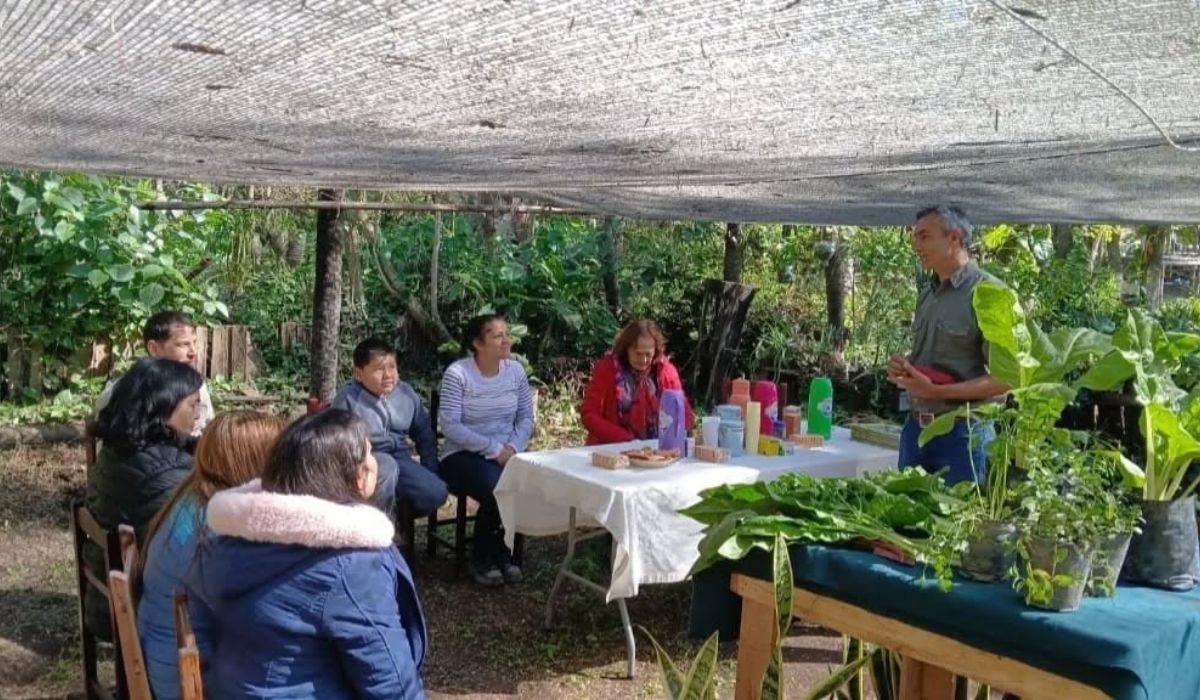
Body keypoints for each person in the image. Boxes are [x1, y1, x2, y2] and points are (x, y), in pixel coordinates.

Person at [195, 409, 427, 699]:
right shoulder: (351, 563)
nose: (376, 462)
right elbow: (391, 684)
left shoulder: (230, 537)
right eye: (369, 453)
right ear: (356, 476)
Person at [137, 411, 284, 700]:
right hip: (192, 685)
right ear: (255, 463)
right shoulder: (215, 529)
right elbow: (262, 614)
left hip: (172, 670)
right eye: (278, 457)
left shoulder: (194, 498)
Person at [84, 356, 204, 640]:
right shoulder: (166, 477)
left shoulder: (118, 451)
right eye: (192, 404)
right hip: (139, 612)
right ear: (162, 409)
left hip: (108, 603)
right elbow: (197, 549)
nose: (199, 413)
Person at [887, 205, 1008, 485]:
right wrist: (905, 367)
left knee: (959, 525)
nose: (916, 245)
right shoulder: (928, 292)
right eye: (915, 237)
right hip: (915, 430)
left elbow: (1008, 378)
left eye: (924, 236)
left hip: (963, 436)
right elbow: (940, 359)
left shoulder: (990, 294)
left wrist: (938, 390)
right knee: (906, 525)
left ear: (954, 238)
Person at [438, 314, 534, 587]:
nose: (507, 340)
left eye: (507, 334)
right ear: (478, 344)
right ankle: (484, 557)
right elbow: (452, 426)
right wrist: (495, 450)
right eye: (497, 336)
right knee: (498, 487)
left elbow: (526, 417)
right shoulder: (458, 374)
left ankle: (503, 553)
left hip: (508, 452)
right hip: (462, 455)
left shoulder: (515, 371)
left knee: (525, 480)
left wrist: (513, 447)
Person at [332, 338, 446, 517]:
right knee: (388, 466)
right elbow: (336, 443)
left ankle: (393, 519)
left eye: (392, 367)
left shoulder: (405, 393)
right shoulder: (347, 399)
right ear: (358, 373)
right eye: (379, 369)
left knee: (436, 492)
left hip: (401, 459)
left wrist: (430, 470)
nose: (388, 375)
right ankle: (378, 533)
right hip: (364, 460)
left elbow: (424, 432)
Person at [94, 310, 214, 435]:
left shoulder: (198, 388)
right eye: (183, 344)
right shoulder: (124, 390)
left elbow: (210, 430)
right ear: (154, 349)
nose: (193, 352)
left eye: (194, 343)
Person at [580, 319, 694, 445]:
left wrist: (675, 439)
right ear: (626, 349)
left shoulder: (666, 371)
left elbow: (685, 414)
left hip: (656, 452)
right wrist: (627, 440)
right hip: (611, 450)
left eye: (648, 354)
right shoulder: (607, 369)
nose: (643, 360)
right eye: (638, 354)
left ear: (656, 351)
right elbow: (589, 414)